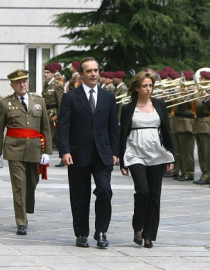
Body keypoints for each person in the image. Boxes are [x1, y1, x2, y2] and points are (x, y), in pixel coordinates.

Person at [58, 57, 119, 248]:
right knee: (79, 196)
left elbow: (113, 128)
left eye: (96, 70)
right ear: (81, 75)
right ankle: (81, 233)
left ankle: (101, 231)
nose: (93, 74)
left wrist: (115, 152)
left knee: (104, 191)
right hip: (78, 153)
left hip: (102, 154)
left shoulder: (108, 97)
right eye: (89, 71)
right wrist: (65, 151)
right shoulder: (70, 97)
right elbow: (63, 127)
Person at [0, 69, 52, 235]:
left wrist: (47, 151)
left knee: (32, 183)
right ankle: (21, 221)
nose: (22, 84)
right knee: (19, 186)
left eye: (24, 81)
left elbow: (45, 127)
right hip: (14, 149)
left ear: (28, 82)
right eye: (18, 82)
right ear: (12, 85)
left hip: (34, 148)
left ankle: (26, 209)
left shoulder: (38, 100)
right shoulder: (5, 103)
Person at [119, 70, 174, 248]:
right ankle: (138, 226)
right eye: (145, 86)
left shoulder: (159, 105)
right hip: (135, 152)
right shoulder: (128, 108)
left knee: (154, 195)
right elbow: (123, 134)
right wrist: (122, 161)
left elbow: (166, 131)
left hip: (156, 153)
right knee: (143, 191)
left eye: (150, 85)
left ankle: (149, 234)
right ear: (136, 87)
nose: (149, 89)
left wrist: (170, 156)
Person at [41, 64, 64, 166]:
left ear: (53, 74)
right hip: (47, 114)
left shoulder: (57, 85)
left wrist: (60, 117)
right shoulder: (46, 85)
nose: (45, 74)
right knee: (56, 139)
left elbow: (61, 103)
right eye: (45, 72)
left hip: (53, 115)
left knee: (48, 136)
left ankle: (44, 156)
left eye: (48, 73)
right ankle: (65, 155)